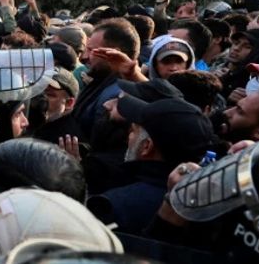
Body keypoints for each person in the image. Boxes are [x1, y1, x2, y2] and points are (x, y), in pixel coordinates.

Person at [87, 95, 215, 234]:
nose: (128, 137)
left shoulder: (111, 206)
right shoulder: (210, 211)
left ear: (146, 146)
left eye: (133, 131)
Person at [32, 67, 83, 144]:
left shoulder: (67, 141)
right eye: (38, 90)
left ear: (69, 103)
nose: (39, 97)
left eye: (48, 94)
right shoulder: (32, 122)